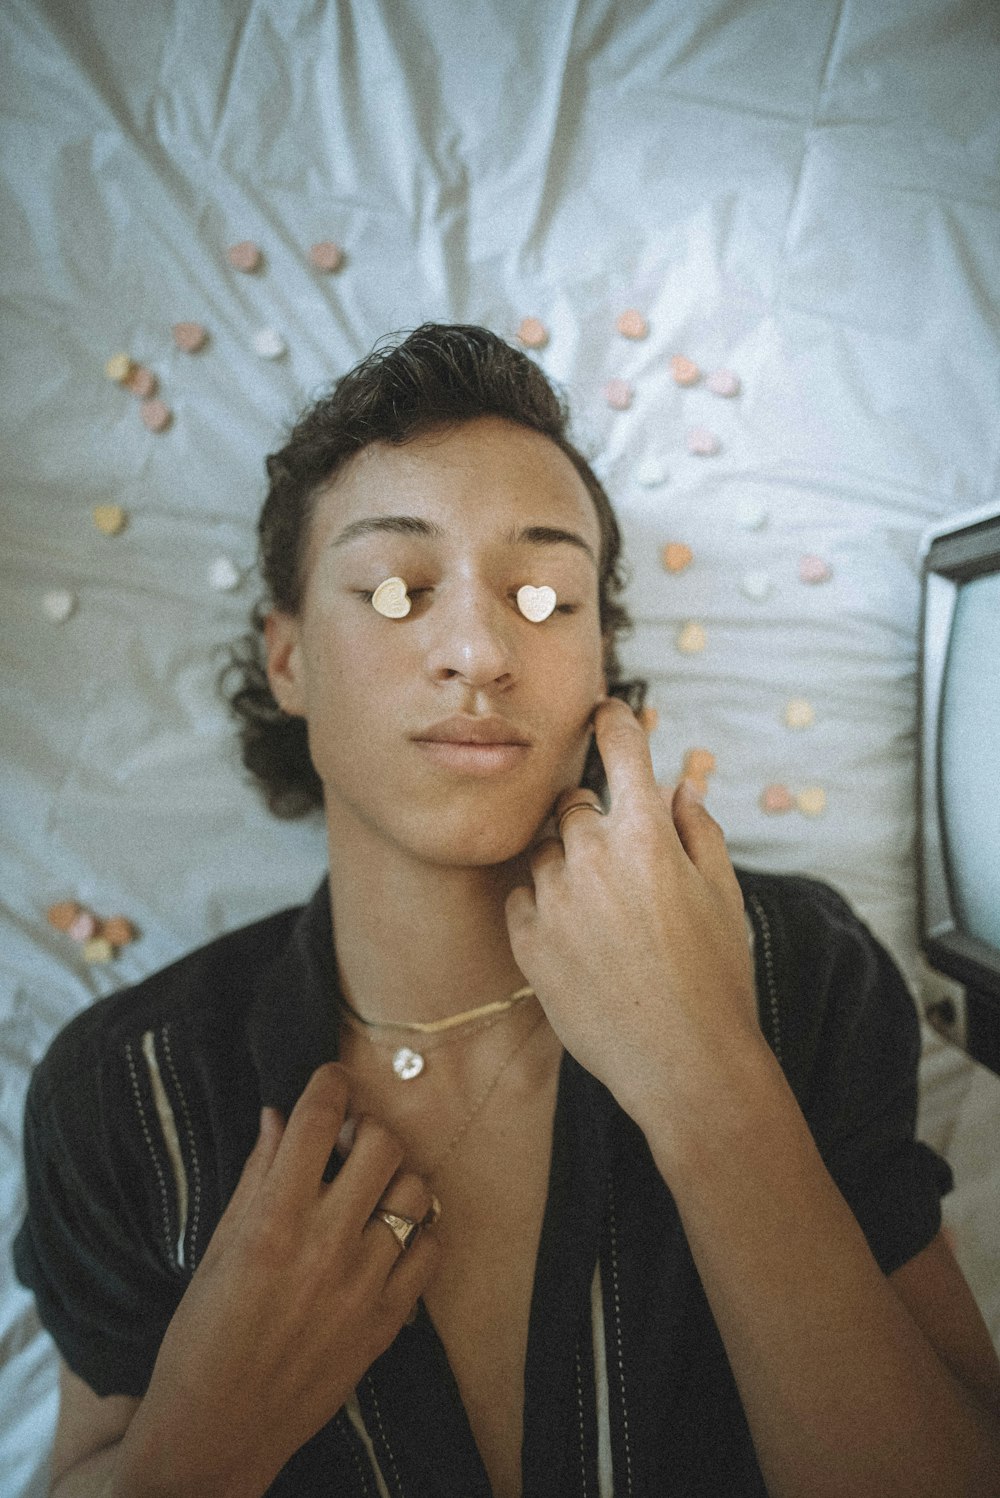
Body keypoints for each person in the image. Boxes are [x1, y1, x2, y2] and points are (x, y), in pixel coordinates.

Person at [14, 323, 1000, 1498]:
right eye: (393, 588)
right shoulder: (133, 1093)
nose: (479, 648)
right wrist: (199, 1436)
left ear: (599, 666)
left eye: (543, 593)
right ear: (287, 660)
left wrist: (707, 1077)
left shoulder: (791, 965)